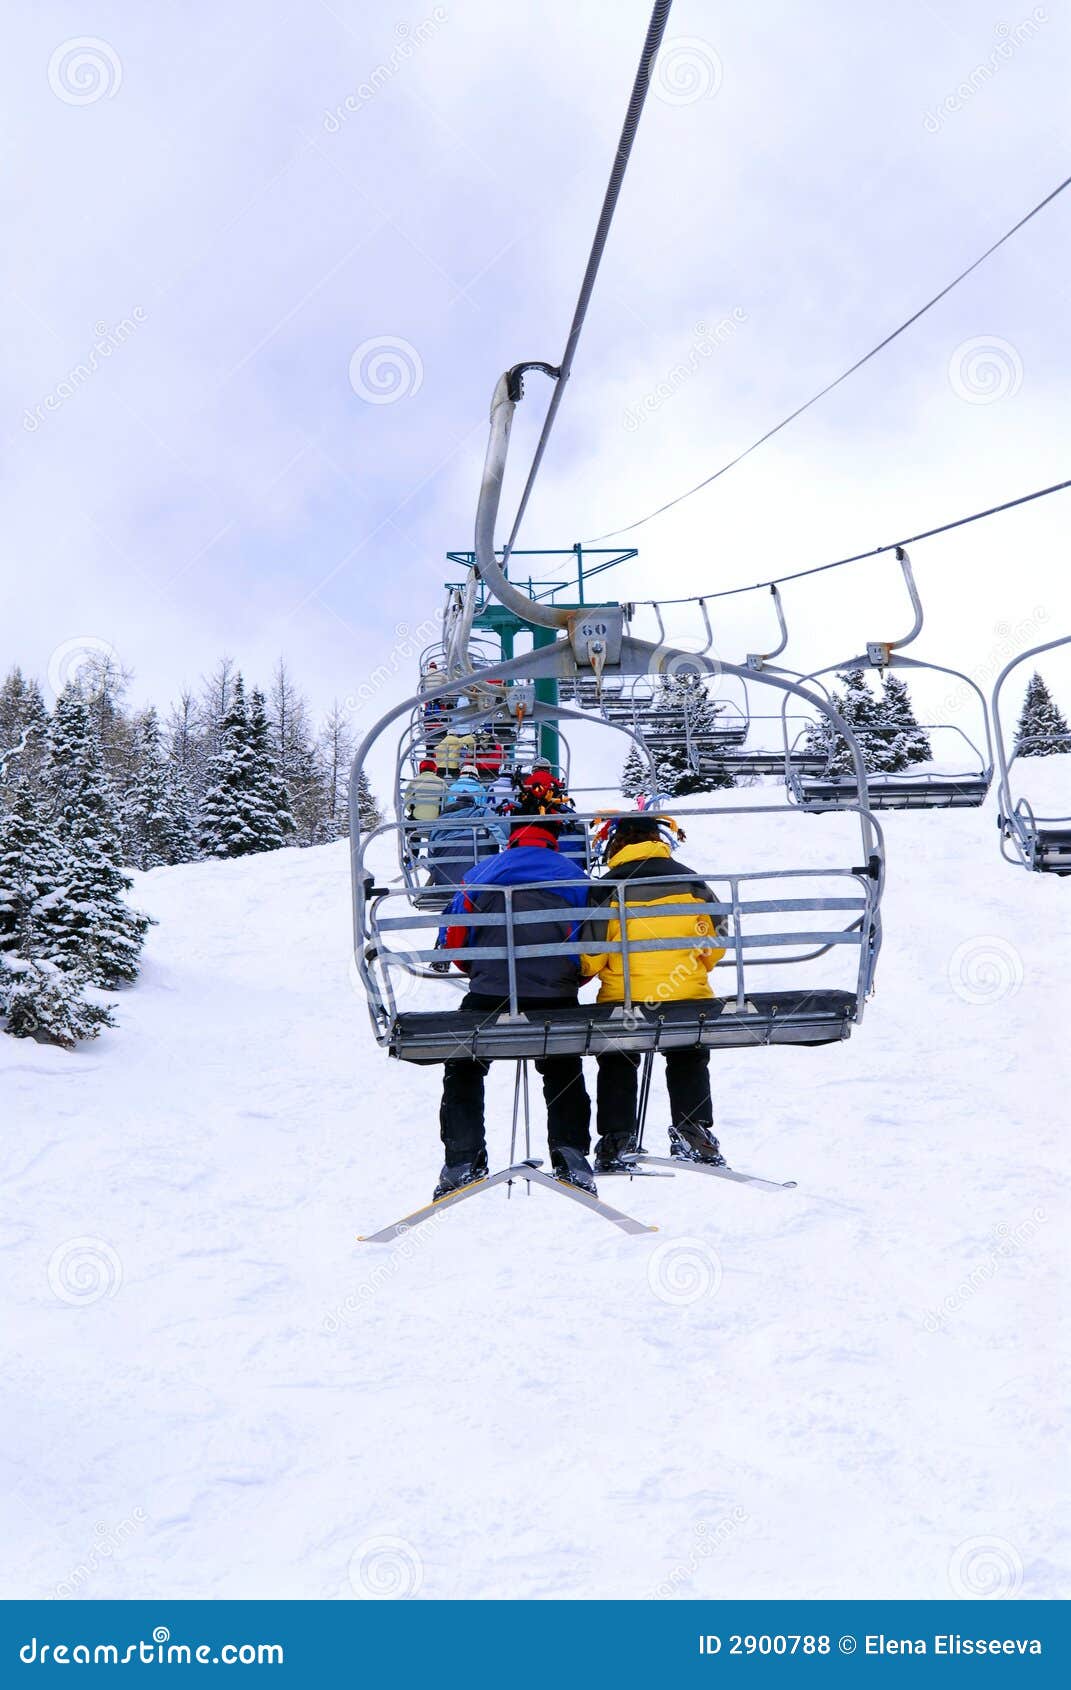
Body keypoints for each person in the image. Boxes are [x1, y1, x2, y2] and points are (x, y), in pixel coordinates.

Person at [433, 798, 595, 1200]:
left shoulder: (482, 873)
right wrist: (570, 977)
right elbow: (594, 945)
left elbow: (456, 944)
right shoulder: (576, 878)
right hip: (555, 996)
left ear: (512, 839)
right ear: (554, 842)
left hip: (490, 994)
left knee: (464, 1065)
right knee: (562, 1064)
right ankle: (570, 1153)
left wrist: (480, 972)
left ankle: (462, 1158)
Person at [580, 813, 727, 1173]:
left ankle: (616, 1139)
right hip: (685, 994)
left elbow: (591, 958)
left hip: (624, 1000)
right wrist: (695, 967)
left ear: (615, 845)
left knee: (618, 1054)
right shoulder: (693, 883)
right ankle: (693, 1131)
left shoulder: (605, 888)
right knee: (689, 1050)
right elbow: (717, 942)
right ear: (660, 840)